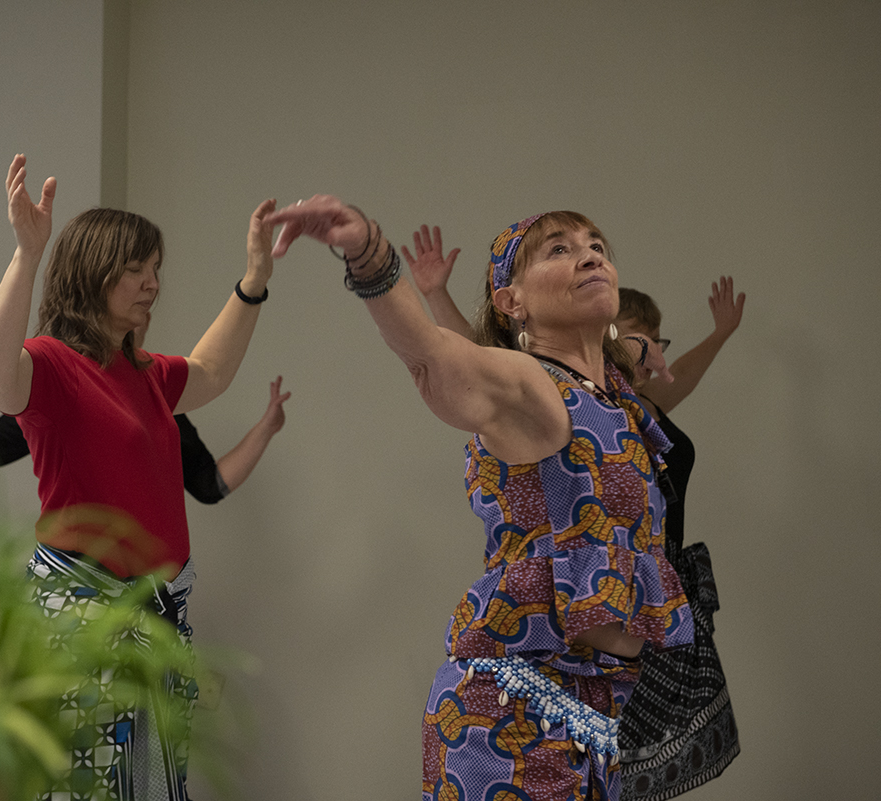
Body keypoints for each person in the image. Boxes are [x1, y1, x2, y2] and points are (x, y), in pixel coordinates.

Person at [266, 199, 692, 801]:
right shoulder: (531, 386)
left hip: (600, 713)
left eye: (596, 245)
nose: (590, 255)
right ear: (511, 301)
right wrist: (367, 253)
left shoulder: (615, 400)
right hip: (511, 718)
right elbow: (428, 351)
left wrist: (645, 346)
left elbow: (625, 358)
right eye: (560, 249)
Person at [0, 154, 275, 801]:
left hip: (154, 616)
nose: (152, 283)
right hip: (84, 621)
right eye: (137, 268)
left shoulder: (145, 372)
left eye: (155, 268)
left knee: (151, 786)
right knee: (81, 789)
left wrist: (253, 280)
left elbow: (211, 371)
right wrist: (27, 253)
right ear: (94, 271)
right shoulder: (54, 366)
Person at [0, 327, 290, 500]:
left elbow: (209, 484)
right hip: (76, 579)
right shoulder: (59, 389)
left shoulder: (160, 396)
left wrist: (266, 428)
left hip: (147, 583)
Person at [613, 282, 744, 800]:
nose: (654, 352)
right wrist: (438, 296)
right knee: (612, 752)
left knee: (643, 756)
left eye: (657, 340)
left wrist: (720, 334)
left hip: (664, 591)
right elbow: (492, 361)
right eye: (640, 339)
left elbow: (682, 377)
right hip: (623, 596)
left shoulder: (642, 403)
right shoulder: (585, 406)